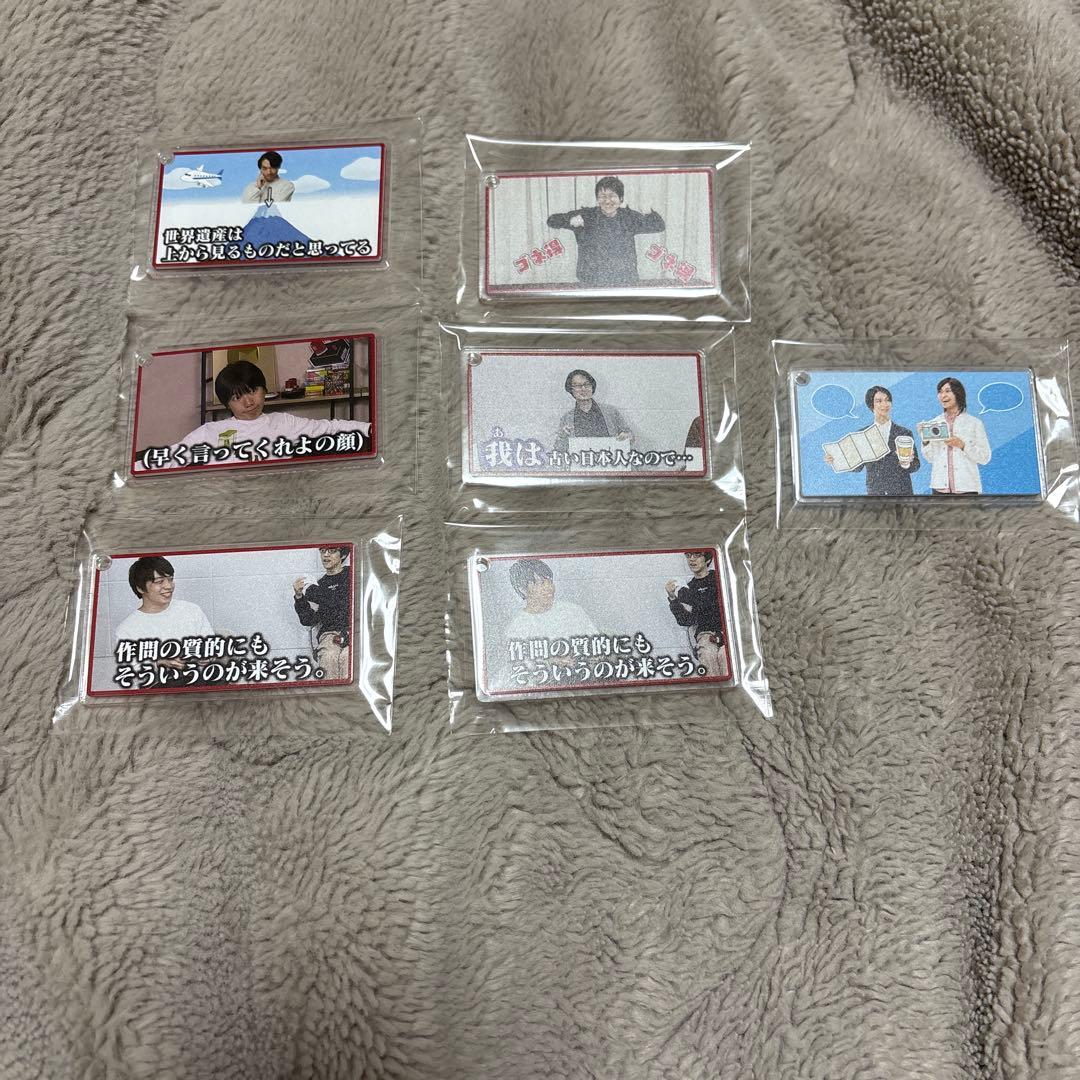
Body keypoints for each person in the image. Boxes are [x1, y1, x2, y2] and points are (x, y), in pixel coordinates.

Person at [140, 360, 371, 469]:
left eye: (252, 391)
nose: (248, 402)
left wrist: (368, 428)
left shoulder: (283, 422)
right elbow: (173, 455)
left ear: (264, 390)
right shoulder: (211, 432)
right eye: (237, 397)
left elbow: (328, 428)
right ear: (227, 403)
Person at [547, 175, 664, 286]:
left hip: (625, 279)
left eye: (612, 196)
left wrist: (647, 210)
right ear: (597, 199)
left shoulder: (628, 217)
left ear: (621, 199)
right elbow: (551, 220)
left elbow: (659, 226)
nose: (607, 201)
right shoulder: (587, 215)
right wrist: (570, 220)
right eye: (603, 196)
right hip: (591, 281)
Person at [114, 556, 214, 671]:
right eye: (159, 581)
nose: (169, 586)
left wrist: (206, 656)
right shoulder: (126, 629)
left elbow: (211, 646)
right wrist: (158, 663)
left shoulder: (192, 610)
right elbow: (129, 673)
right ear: (140, 588)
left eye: (170, 579)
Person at [825, 385, 920, 495]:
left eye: (887, 400)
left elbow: (916, 464)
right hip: (876, 492)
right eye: (879, 401)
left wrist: (906, 463)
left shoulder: (904, 432)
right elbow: (857, 467)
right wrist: (835, 460)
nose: (884, 404)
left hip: (902, 491)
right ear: (871, 405)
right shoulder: (862, 434)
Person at [922, 376, 992, 494]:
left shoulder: (974, 423)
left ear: (958, 393)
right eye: (940, 392)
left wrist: (963, 445)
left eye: (947, 391)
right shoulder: (934, 423)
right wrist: (925, 441)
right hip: (939, 489)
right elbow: (930, 458)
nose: (943, 395)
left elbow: (985, 457)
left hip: (967, 488)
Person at [665, 551, 729, 678]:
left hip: (727, 631)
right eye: (688, 556)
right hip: (705, 634)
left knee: (724, 656)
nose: (691, 559)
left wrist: (684, 594)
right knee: (708, 655)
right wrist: (672, 598)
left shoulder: (719, 578)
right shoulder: (690, 587)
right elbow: (685, 620)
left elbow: (719, 603)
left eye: (697, 555)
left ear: (707, 559)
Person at [293, 547, 352, 680]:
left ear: (342, 555)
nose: (326, 555)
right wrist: (299, 597)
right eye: (323, 551)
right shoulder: (316, 587)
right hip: (330, 635)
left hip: (354, 632)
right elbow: (308, 620)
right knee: (328, 657)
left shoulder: (353, 575)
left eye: (332, 551)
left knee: (347, 658)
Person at [505, 559, 598, 642]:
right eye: (541, 583)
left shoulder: (573, 611)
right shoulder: (517, 628)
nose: (548, 587)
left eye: (550, 581)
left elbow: (596, 644)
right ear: (522, 589)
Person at [553, 369, 635, 454]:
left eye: (587, 384)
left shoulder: (611, 412)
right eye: (577, 386)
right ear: (571, 390)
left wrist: (627, 436)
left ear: (592, 387)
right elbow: (558, 449)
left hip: (609, 459)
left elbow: (630, 436)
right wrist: (562, 436)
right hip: (580, 461)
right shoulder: (567, 418)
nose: (583, 388)